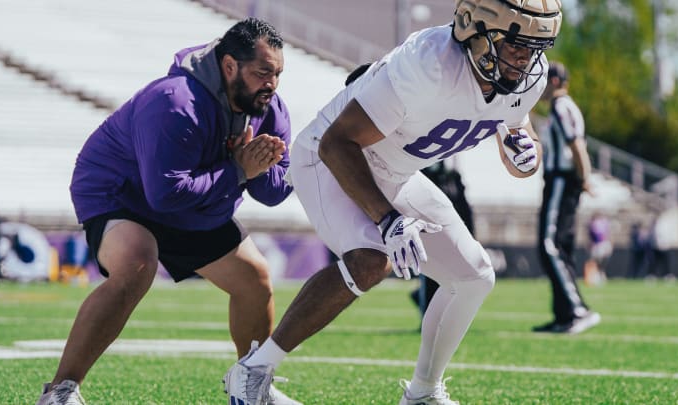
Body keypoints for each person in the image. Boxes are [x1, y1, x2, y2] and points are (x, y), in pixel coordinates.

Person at [224, 1, 563, 404]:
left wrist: (525, 152)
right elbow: (337, 142)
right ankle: (253, 372)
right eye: (515, 45)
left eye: (535, 48)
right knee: (371, 258)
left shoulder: (528, 76)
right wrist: (388, 221)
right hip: (327, 159)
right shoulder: (429, 64)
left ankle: (423, 393)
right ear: (475, 30)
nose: (526, 60)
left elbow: (517, 131)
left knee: (474, 276)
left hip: (394, 171)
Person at [36, 18, 302, 405]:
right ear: (230, 66)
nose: (272, 84)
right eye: (263, 72)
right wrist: (239, 169)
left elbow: (273, 192)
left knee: (254, 279)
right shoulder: (175, 101)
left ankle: (252, 387)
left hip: (191, 197)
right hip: (121, 192)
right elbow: (166, 194)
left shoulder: (270, 108)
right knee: (136, 262)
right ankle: (61, 391)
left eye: (277, 73)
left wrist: (263, 168)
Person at [534, 61, 601, 335]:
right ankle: (563, 313)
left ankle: (576, 309)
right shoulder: (560, 108)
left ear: (554, 81)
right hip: (562, 180)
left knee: (549, 244)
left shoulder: (562, 107)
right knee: (560, 245)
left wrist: (584, 177)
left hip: (562, 179)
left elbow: (576, 144)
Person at [410, 162, 475, 320]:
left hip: (450, 232)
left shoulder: (452, 177)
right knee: (433, 274)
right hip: (430, 232)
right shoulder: (423, 176)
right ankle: (429, 316)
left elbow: (465, 211)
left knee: (454, 278)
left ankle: (438, 312)